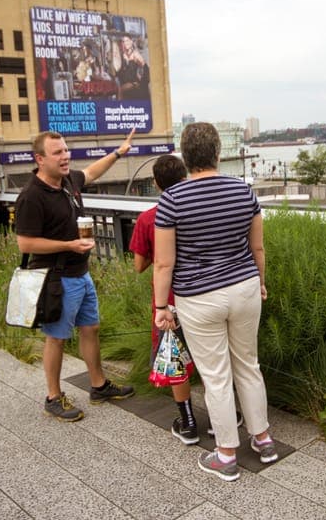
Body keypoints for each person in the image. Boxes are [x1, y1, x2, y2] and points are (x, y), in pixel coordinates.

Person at [152, 122, 277, 481]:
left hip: (199, 297)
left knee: (216, 377)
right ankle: (263, 439)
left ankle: (226, 455)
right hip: (245, 288)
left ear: (185, 156)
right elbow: (257, 247)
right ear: (218, 153)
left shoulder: (172, 200)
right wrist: (261, 283)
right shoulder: (244, 191)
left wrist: (162, 308)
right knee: (248, 366)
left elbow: (164, 262)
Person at [15, 128, 137, 422]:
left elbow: (92, 172)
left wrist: (119, 152)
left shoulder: (68, 182)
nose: (65, 156)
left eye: (66, 150)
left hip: (81, 274)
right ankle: (53, 397)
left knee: (90, 329)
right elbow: (26, 243)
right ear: (40, 159)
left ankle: (99, 386)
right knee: (56, 338)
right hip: (57, 278)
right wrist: (69, 245)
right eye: (57, 152)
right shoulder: (32, 196)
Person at [128, 154, 199, 444]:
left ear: (156, 184)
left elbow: (139, 265)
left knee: (175, 359)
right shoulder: (199, 210)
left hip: (167, 301)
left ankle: (188, 422)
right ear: (184, 176)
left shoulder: (148, 219)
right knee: (213, 356)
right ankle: (230, 416)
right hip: (203, 294)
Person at [112, 34, 150, 100]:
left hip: (133, 82)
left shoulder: (135, 54)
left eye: (127, 41)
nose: (125, 43)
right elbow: (118, 71)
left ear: (131, 42)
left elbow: (146, 69)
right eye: (123, 41)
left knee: (120, 90)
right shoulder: (122, 55)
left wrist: (140, 82)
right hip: (124, 83)